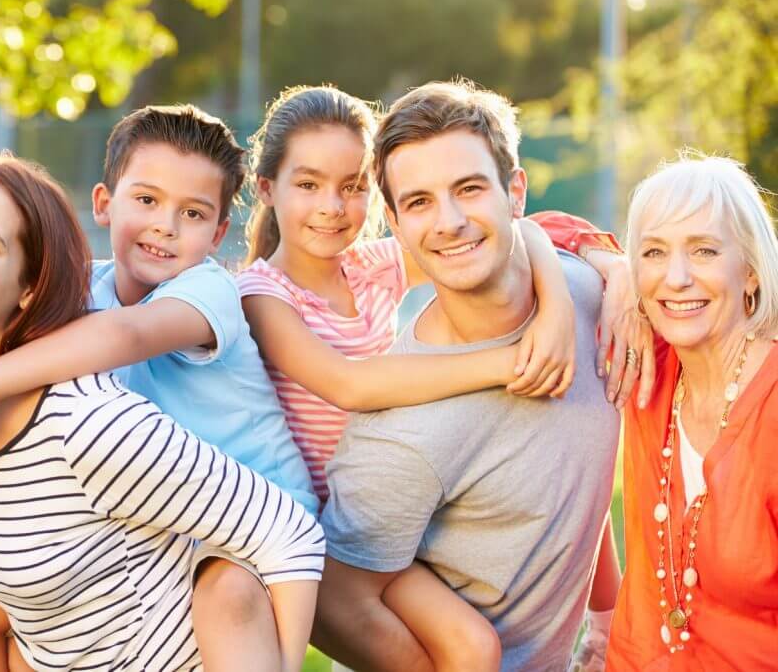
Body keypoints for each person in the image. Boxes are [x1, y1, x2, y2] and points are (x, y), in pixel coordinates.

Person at [0, 105, 318, 671]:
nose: (165, 225)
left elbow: (123, 333)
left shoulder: (205, 293)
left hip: (253, 527)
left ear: (219, 233)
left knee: (228, 593)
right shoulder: (84, 294)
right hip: (160, 521)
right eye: (146, 200)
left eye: (192, 213)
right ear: (104, 203)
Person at [236, 84, 629, 670]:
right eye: (308, 185)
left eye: (351, 188)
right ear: (267, 189)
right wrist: (510, 362)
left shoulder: (369, 268)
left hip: (396, 521)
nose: (331, 206)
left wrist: (581, 288)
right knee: (471, 651)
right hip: (321, 527)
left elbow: (514, 233)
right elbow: (352, 386)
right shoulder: (262, 295)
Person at [602, 154, 778, 669]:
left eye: (703, 250)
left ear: (750, 272)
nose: (675, 278)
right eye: (654, 253)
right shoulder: (647, 368)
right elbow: (530, 231)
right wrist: (610, 266)